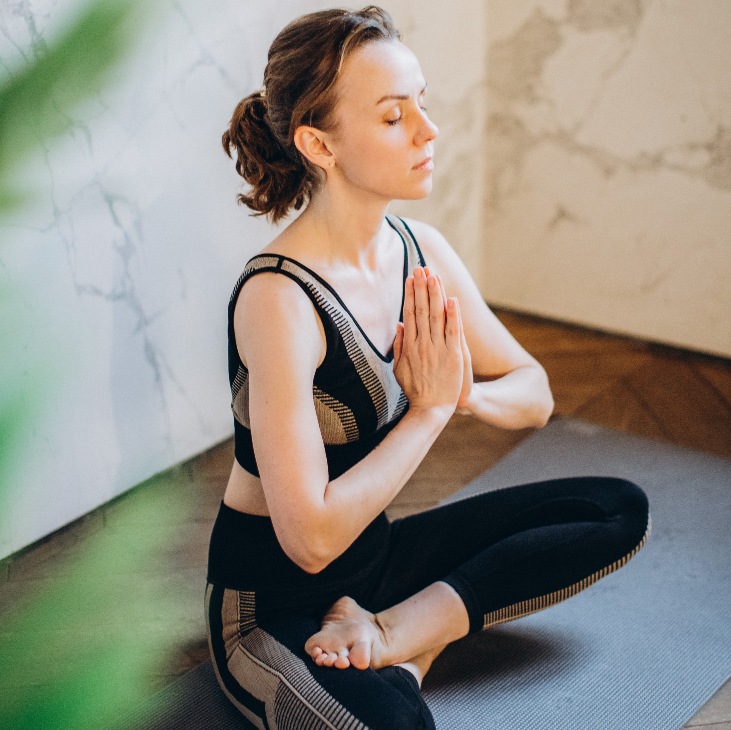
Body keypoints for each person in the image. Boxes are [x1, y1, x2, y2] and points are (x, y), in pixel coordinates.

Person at [205, 7, 650, 729]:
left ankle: (396, 636)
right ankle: (404, 656)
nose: (427, 129)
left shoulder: (420, 250)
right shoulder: (277, 298)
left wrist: (459, 390)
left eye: (422, 103)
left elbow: (532, 392)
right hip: (270, 603)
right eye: (391, 116)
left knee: (615, 508)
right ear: (318, 143)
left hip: (374, 565)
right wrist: (429, 410)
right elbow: (310, 541)